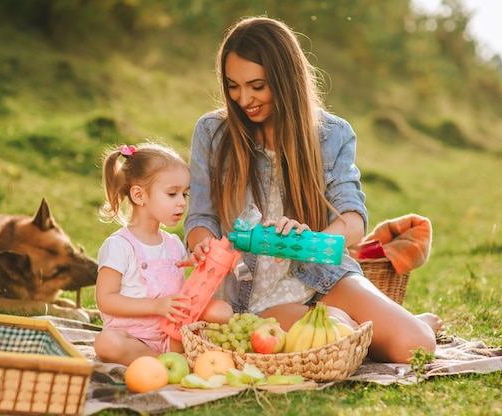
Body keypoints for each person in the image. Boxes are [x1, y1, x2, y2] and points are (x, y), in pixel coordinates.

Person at [184, 16, 443, 364]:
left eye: (256, 85)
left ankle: (399, 324)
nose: (243, 98)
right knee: (337, 340)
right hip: (251, 298)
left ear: (284, 78)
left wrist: (311, 239)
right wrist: (201, 245)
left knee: (416, 346)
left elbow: (353, 218)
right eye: (233, 85)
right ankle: (360, 325)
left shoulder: (331, 134)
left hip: (319, 275)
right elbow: (201, 214)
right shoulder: (213, 132)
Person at [94, 142, 233, 366]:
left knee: (222, 310)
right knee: (106, 343)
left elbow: (181, 290)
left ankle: (179, 357)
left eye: (185, 195)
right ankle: (167, 362)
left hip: (172, 334)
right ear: (139, 195)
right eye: (172, 194)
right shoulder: (119, 245)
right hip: (134, 338)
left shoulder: (173, 243)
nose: (181, 203)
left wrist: (199, 265)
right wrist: (156, 307)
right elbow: (105, 300)